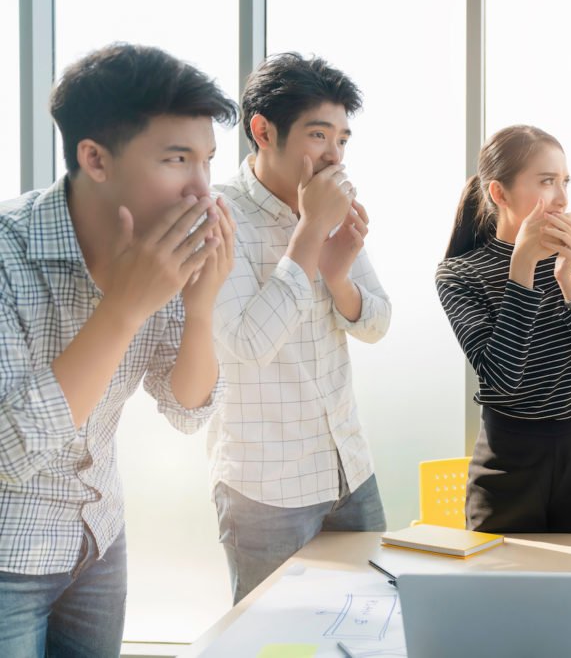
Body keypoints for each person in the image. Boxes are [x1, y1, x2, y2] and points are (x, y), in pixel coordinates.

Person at [0, 43, 236, 657]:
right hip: (8, 555)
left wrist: (201, 307)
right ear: (95, 159)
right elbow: (8, 448)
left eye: (207, 162)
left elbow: (187, 408)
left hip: (99, 543)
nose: (201, 189)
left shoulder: (161, 252)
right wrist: (126, 307)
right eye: (176, 159)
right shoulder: (6, 256)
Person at [210, 53, 390, 604]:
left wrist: (339, 280)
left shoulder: (334, 205)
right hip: (266, 490)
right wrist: (311, 231)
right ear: (263, 130)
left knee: (369, 624)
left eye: (342, 139)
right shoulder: (216, 214)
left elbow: (377, 322)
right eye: (319, 135)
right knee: (273, 641)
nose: (334, 156)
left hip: (350, 470)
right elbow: (247, 344)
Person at [436, 125, 571, 533]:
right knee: (500, 592)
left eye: (565, 182)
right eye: (547, 182)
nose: (562, 198)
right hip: (508, 463)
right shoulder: (460, 274)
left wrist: (568, 283)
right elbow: (504, 381)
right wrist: (521, 269)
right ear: (499, 193)